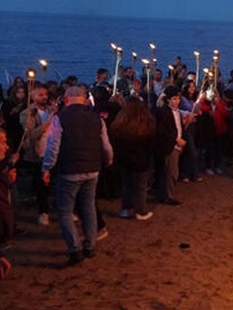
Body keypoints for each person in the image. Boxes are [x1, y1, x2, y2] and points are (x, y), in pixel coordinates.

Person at [41, 86, 113, 265]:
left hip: (69, 171)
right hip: (92, 169)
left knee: (65, 210)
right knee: (88, 206)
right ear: (84, 99)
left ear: (66, 99)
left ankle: (75, 249)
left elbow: (53, 146)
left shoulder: (60, 118)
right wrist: (108, 159)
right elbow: (106, 145)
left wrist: (47, 167)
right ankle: (90, 245)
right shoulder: (97, 119)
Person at [109, 98, 155, 220]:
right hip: (140, 158)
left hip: (124, 158)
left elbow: (114, 138)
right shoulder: (145, 122)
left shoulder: (119, 122)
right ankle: (141, 211)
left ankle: (126, 208)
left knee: (126, 184)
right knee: (140, 185)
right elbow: (151, 140)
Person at [18, 84, 55, 225]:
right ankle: (43, 212)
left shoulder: (52, 110)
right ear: (33, 97)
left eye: (45, 94)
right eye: (40, 95)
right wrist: (49, 121)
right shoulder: (27, 113)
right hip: (37, 153)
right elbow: (32, 134)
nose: (44, 97)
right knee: (41, 185)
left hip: (53, 151)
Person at [153, 86, 185, 206]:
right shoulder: (163, 112)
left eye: (178, 99)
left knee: (170, 171)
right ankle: (167, 196)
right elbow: (163, 131)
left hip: (176, 145)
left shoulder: (176, 112)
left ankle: (164, 194)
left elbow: (177, 127)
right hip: (169, 146)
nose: (177, 101)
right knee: (171, 172)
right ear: (168, 100)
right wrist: (177, 140)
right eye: (174, 99)